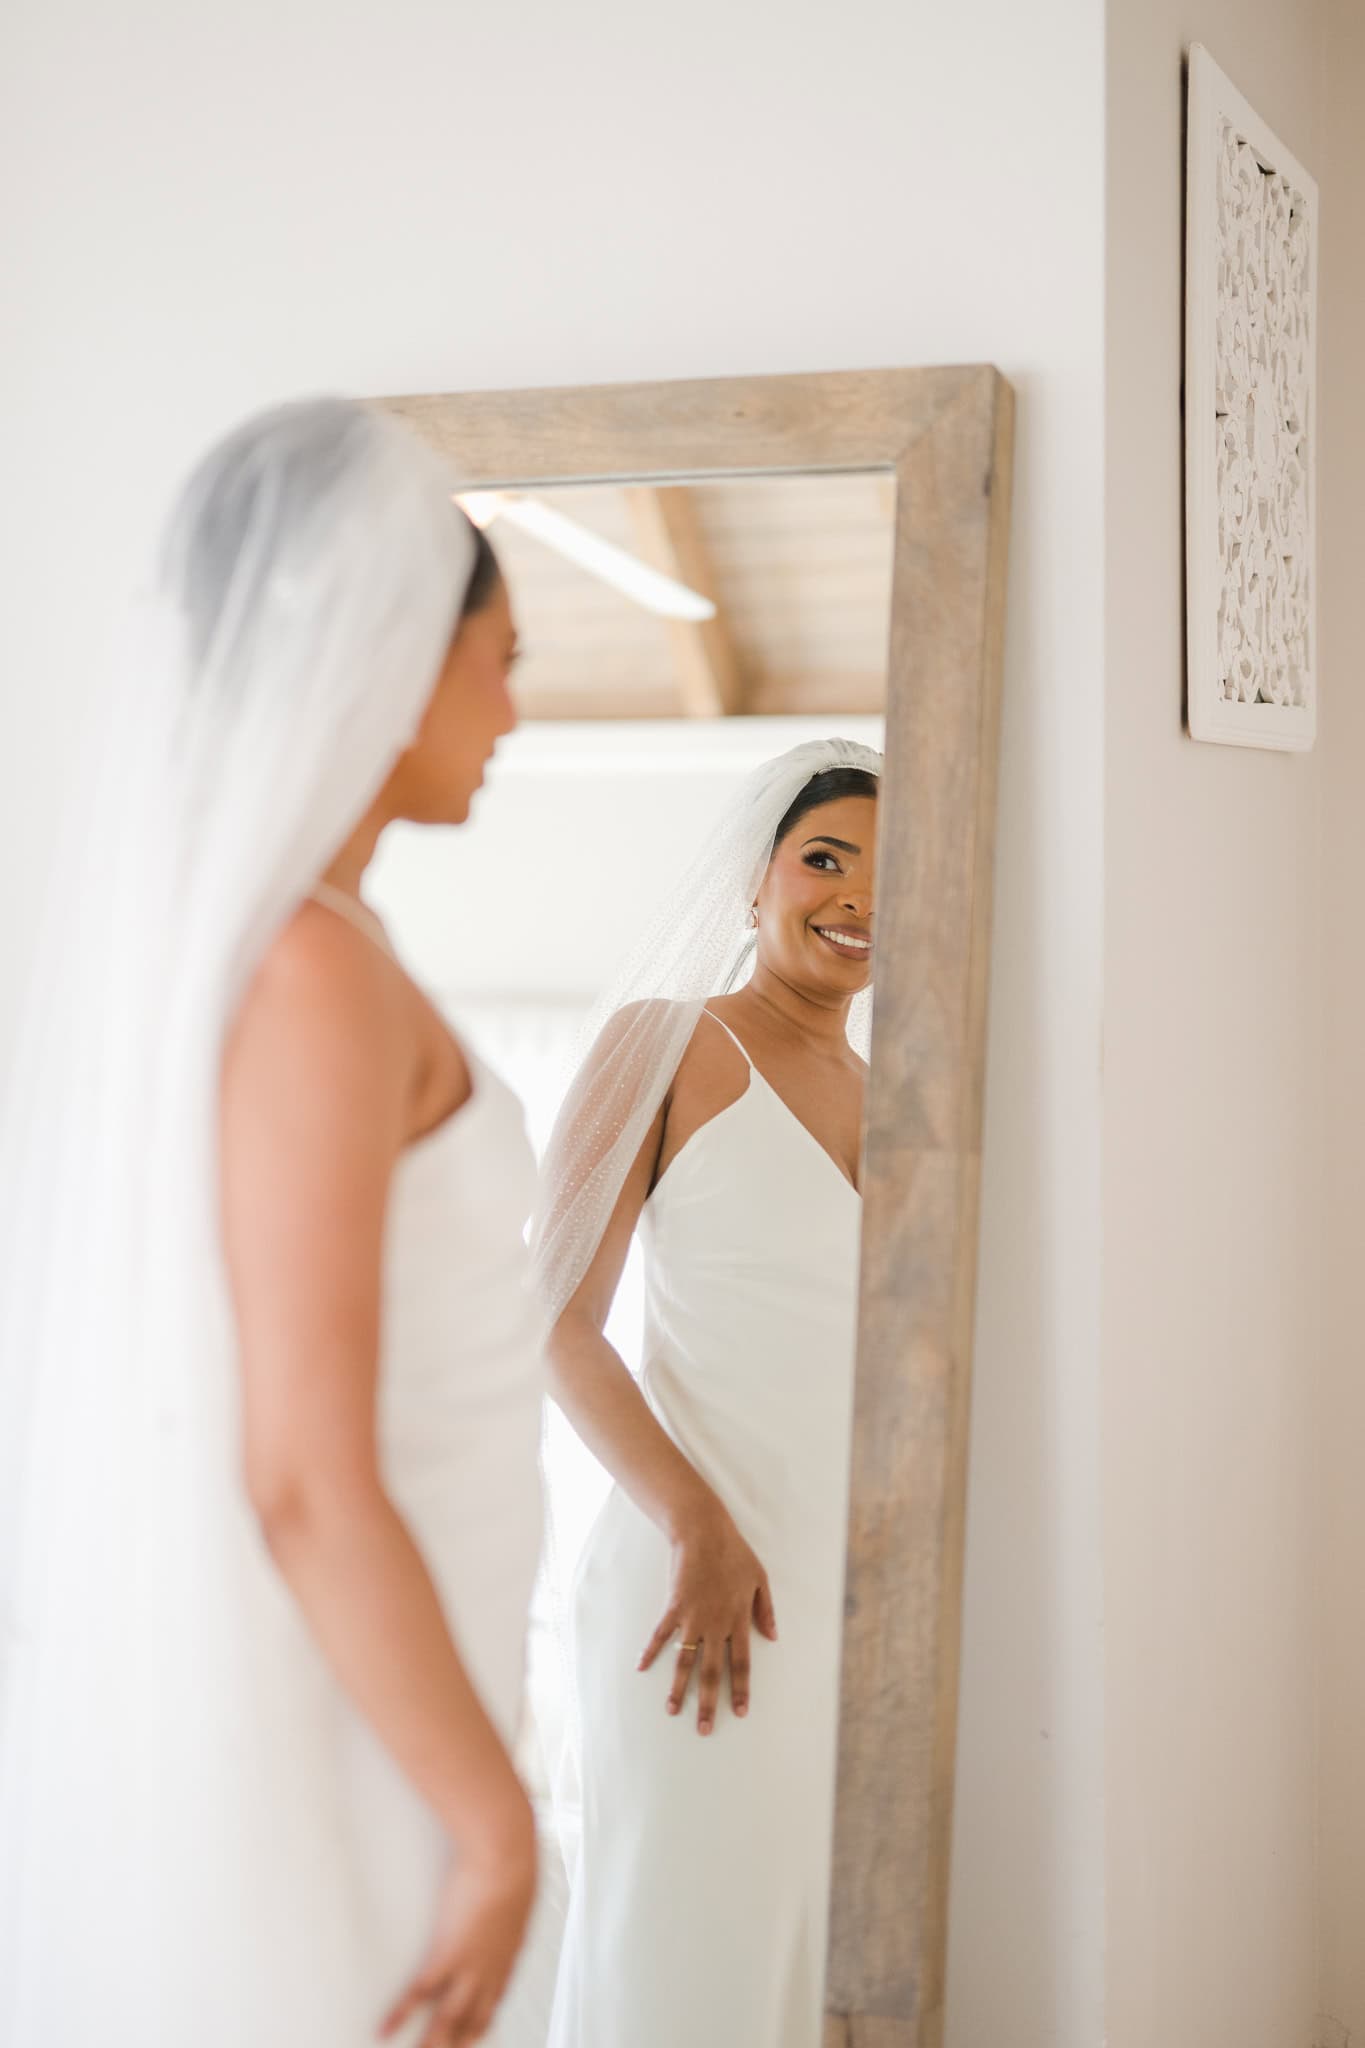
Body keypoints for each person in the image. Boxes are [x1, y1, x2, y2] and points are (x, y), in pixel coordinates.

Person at [0, 399, 545, 2048]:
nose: (514, 709)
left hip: (401, 1670)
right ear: (387, 652)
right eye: (498, 659)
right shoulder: (310, 973)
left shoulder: (303, 946)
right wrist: (497, 1828)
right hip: (353, 1728)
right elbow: (303, 1476)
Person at [532, 739, 880, 2048]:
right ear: (754, 877)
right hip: (702, 1582)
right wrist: (696, 1525)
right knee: (689, 1952)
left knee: (810, 1960)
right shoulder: (664, 1044)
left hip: (855, 1598)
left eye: (886, 873)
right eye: (825, 858)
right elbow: (551, 1320)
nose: (855, 898)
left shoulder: (907, 1097)